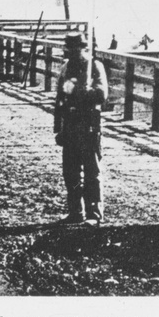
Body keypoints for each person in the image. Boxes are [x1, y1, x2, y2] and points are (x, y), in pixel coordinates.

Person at [53, 31, 109, 225]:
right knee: (71, 172)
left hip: (88, 125)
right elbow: (61, 98)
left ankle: (94, 215)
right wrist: (58, 128)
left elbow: (102, 95)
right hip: (70, 125)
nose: (72, 52)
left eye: (76, 48)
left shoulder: (94, 66)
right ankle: (76, 211)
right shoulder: (66, 68)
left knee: (92, 172)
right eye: (69, 48)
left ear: (83, 48)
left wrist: (88, 91)